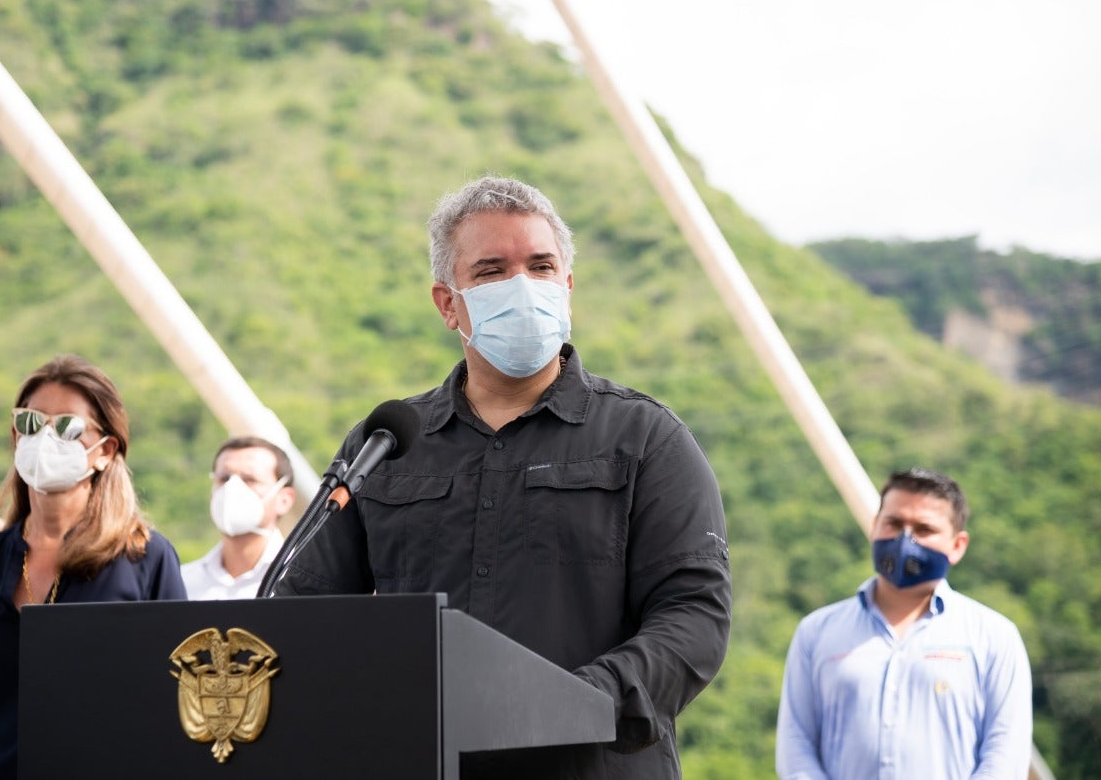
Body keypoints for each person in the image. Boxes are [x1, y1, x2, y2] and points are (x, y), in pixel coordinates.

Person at [275, 175, 732, 778]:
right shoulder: (383, 445)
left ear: (567, 287)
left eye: (541, 267)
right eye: (491, 272)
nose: (523, 287)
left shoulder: (646, 439)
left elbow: (694, 614)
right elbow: (308, 611)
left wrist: (577, 700)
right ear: (447, 303)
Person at [0, 354, 186, 780]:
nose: (43, 439)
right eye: (30, 423)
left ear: (105, 451)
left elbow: (173, 702)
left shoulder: (144, 559)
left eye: (65, 427)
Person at [776, 467, 1033, 778]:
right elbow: (795, 746)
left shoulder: (994, 637)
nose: (904, 541)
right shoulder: (816, 633)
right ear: (874, 526)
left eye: (924, 529)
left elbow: (1005, 754)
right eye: (894, 523)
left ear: (958, 545)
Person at [181, 435, 297, 600]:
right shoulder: (183, 582)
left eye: (249, 480)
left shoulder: (298, 582)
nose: (232, 488)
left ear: (284, 499)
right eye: (224, 478)